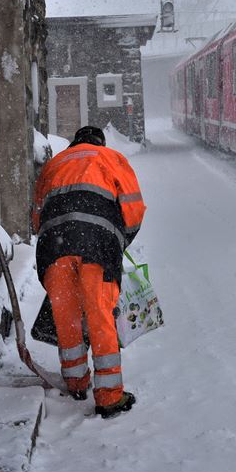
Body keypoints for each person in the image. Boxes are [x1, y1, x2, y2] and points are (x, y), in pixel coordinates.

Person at [32, 125, 146, 418]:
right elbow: (133, 209)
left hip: (54, 246)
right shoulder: (110, 158)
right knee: (100, 314)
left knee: (66, 315)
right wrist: (119, 240)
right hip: (98, 245)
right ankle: (109, 397)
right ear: (100, 142)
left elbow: (36, 216)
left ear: (74, 143)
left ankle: (76, 383)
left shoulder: (54, 164)